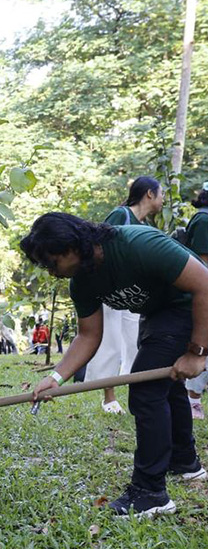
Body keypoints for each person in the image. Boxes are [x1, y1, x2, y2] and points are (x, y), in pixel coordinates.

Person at [22, 212, 207, 517]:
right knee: (165, 386)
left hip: (191, 306)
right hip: (158, 314)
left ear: (71, 247)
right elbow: (88, 335)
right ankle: (185, 462)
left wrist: (198, 352)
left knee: (145, 389)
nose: (50, 272)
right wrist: (56, 377)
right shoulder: (82, 282)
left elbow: (204, 284)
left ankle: (150, 492)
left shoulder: (138, 244)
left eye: (51, 262)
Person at [86, 176, 164, 414]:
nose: (163, 200)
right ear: (149, 194)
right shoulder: (121, 215)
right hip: (112, 290)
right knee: (111, 342)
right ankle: (108, 397)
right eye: (161, 194)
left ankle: (132, 394)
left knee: (134, 343)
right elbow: (99, 247)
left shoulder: (148, 228)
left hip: (136, 296)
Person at [184, 183, 208, 419]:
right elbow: (202, 265)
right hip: (201, 291)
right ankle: (192, 399)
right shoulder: (203, 220)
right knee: (203, 346)